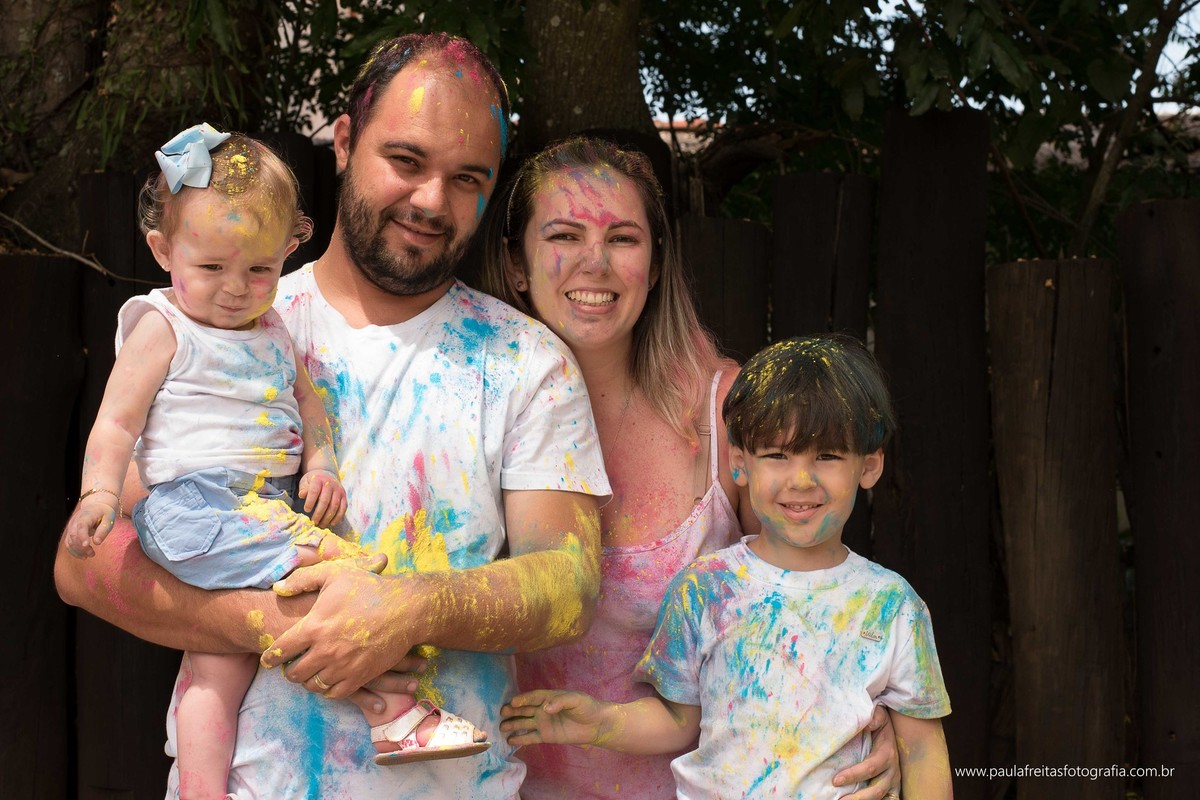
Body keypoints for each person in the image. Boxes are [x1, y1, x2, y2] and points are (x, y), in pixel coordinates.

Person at [55, 33, 609, 799]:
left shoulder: (527, 361)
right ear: (344, 143)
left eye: (466, 178)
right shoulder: (225, 319)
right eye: (407, 160)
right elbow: (85, 564)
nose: (431, 201)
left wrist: (409, 608)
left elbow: (570, 584)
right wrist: (268, 622)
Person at [61, 124, 490, 797]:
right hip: (195, 510)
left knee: (218, 669)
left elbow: (307, 404)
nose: (237, 288)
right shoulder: (162, 327)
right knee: (346, 574)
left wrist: (320, 465)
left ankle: (203, 788)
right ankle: (397, 715)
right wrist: (97, 495)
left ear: (288, 249)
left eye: (259, 270)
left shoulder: (272, 326)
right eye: (212, 269)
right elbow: (116, 423)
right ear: (163, 249)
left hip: (255, 509)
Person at [479, 138, 901, 799]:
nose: (596, 262)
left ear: (655, 263)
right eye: (564, 235)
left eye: (622, 238)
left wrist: (881, 724)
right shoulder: (463, 412)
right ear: (515, 264)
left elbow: (815, 594)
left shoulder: (726, 413)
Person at [501, 334, 953, 799]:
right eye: (777, 455)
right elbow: (679, 719)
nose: (801, 479)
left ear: (870, 466)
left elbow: (922, 750)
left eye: (827, 456)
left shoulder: (892, 606)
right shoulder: (705, 588)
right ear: (739, 464)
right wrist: (599, 722)